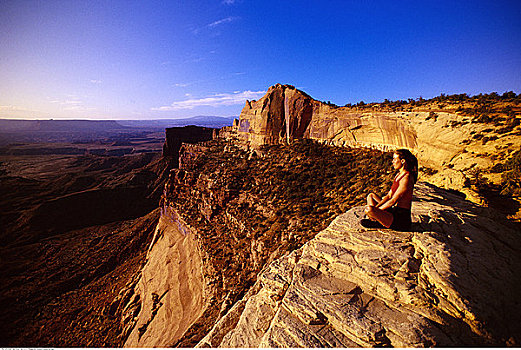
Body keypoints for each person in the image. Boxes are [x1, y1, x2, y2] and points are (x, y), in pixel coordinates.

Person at [361, 149, 418, 231]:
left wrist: (375, 211)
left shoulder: (407, 178)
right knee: (371, 196)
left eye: (395, 159)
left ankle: (378, 222)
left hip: (401, 219)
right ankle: (377, 219)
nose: (392, 162)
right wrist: (376, 209)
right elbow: (389, 196)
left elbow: (393, 200)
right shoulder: (398, 175)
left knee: (369, 210)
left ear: (402, 161)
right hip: (394, 211)